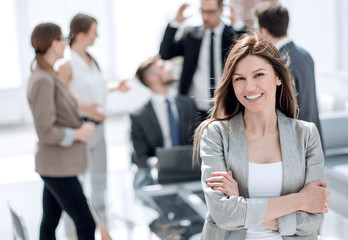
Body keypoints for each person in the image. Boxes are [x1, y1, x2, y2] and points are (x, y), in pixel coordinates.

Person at [193, 34, 330, 239]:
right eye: (240, 78)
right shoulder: (216, 134)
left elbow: (313, 219)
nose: (249, 87)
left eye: (259, 75)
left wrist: (241, 203)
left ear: (277, 77)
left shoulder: (306, 134)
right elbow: (223, 214)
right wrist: (299, 201)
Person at [57, 13, 129, 239]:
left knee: (100, 188)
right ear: (80, 35)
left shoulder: (90, 59)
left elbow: (91, 89)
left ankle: (104, 233)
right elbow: (60, 99)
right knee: (76, 194)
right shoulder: (66, 64)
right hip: (80, 133)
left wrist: (114, 87)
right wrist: (86, 109)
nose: (97, 36)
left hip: (99, 131)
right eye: (94, 32)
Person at [27, 23, 96, 240]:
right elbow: (45, 129)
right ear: (54, 43)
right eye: (64, 38)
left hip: (57, 166)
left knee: (49, 222)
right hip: (58, 168)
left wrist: (82, 122)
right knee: (86, 224)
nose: (67, 42)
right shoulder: (42, 80)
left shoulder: (48, 75)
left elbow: (59, 115)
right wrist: (78, 134)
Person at [159, 0, 246, 118]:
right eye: (202, 11)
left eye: (210, 12)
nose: (205, 17)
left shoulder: (232, 34)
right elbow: (165, 54)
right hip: (194, 110)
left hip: (226, 107)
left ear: (221, 10)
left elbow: (249, 53)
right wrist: (175, 23)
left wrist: (238, 25)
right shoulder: (191, 34)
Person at [253, 2, 323, 141]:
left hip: (293, 144)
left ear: (264, 31)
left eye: (256, 28)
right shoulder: (305, 55)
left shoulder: (278, 63)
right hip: (313, 139)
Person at [130, 55, 199, 187]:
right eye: (162, 67)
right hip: (160, 180)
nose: (170, 67)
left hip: (192, 175)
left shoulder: (188, 104)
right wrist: (156, 162)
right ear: (152, 79)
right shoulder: (139, 115)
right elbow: (140, 156)